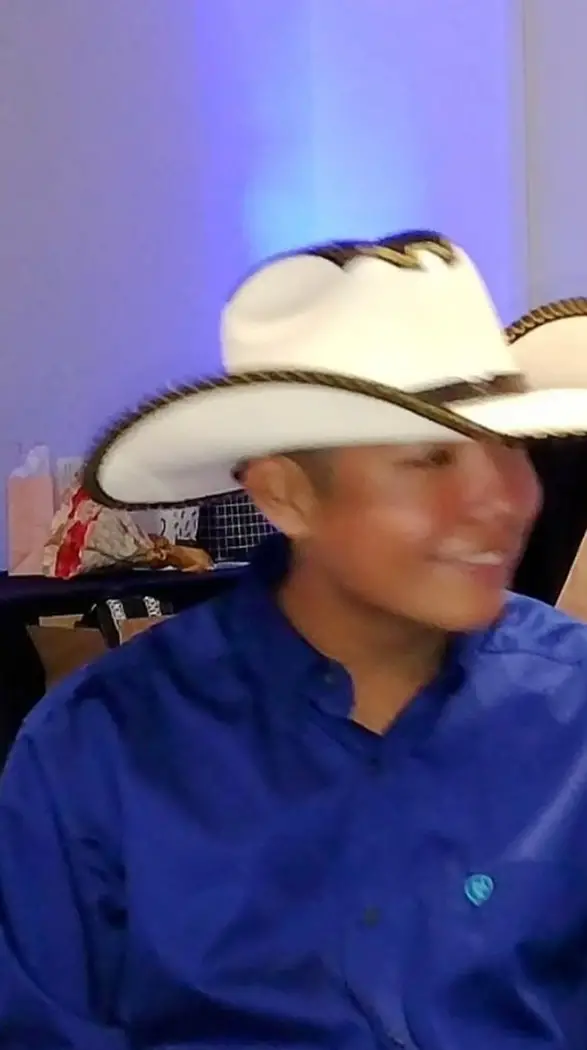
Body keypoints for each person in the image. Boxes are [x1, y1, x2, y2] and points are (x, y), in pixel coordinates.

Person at [3, 232, 587, 1049]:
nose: (503, 501)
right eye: (430, 461)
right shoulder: (102, 751)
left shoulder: (570, 712)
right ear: (285, 496)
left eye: (513, 447)